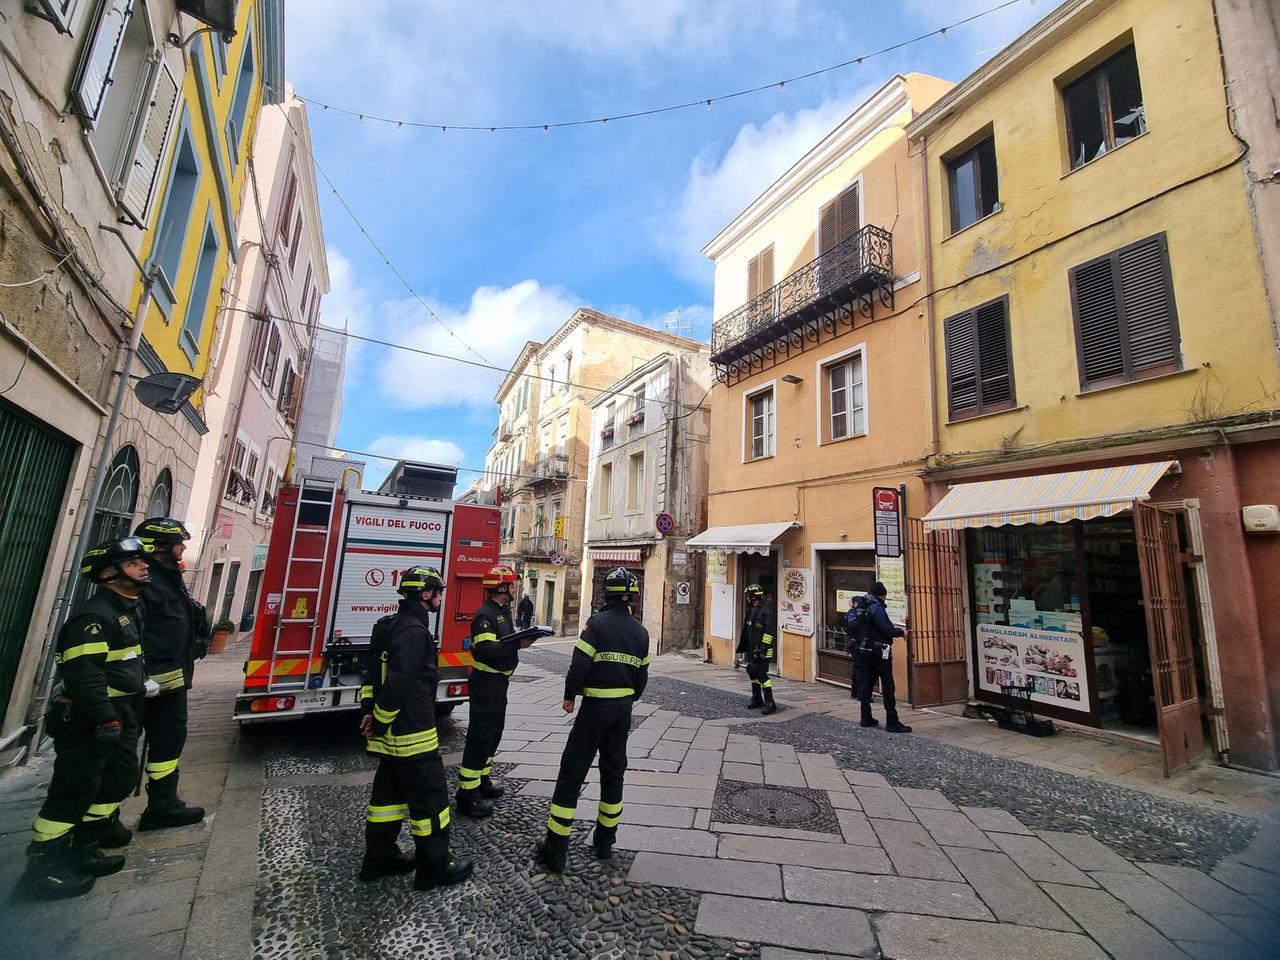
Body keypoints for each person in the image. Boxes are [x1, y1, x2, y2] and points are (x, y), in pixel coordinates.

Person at [15, 537, 152, 900]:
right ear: (108, 574)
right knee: (74, 790)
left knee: (119, 778)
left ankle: (81, 847)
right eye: (133, 562)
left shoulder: (126, 609)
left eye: (141, 561)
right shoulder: (93, 617)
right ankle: (42, 869)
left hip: (120, 712)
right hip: (89, 716)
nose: (144, 566)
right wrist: (104, 717)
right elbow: (83, 674)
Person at [359, 565, 472, 889]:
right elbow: (399, 682)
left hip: (391, 738)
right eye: (438, 592)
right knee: (431, 801)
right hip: (411, 734)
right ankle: (435, 867)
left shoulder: (388, 625)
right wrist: (381, 721)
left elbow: (373, 675)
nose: (441, 598)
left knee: (386, 800)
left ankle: (380, 858)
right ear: (425, 594)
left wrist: (369, 712)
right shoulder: (414, 631)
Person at [534, 567, 649, 872]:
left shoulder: (596, 624)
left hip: (594, 709)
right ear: (632, 597)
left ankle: (556, 850)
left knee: (572, 772)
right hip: (622, 711)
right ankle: (604, 843)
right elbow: (642, 678)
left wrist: (570, 695)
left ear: (605, 594)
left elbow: (580, 663)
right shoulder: (641, 632)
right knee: (613, 774)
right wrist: (627, 698)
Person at [133, 517, 207, 831]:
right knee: (120, 756)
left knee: (168, 744)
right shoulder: (145, 583)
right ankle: (100, 822)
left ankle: (163, 805)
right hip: (142, 686)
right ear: (160, 547)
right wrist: (143, 675)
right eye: (179, 543)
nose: (184, 548)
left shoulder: (168, 577)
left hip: (170, 684)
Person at [455, 562, 520, 817]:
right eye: (511, 585)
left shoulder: (502, 611)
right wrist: (518, 644)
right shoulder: (485, 615)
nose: (514, 588)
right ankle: (467, 795)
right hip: (486, 683)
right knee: (480, 736)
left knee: (494, 733)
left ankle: (483, 780)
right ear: (501, 588)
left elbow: (504, 641)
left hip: (499, 683)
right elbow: (486, 649)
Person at [852, 581, 911, 733]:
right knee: (888, 685)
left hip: (865, 650)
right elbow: (885, 629)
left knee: (867, 683)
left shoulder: (861, 606)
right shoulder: (876, 607)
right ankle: (892, 721)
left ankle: (865, 717)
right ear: (882, 595)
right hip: (880, 652)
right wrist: (901, 632)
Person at [736, 584, 777, 715]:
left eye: (749, 595)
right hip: (751, 649)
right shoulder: (750, 610)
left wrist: (763, 648)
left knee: (762, 675)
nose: (747, 598)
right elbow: (747, 630)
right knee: (752, 672)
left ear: (754, 596)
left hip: (762, 651)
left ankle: (770, 702)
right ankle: (757, 698)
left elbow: (769, 632)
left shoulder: (766, 612)